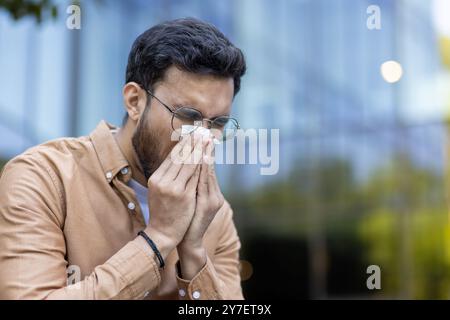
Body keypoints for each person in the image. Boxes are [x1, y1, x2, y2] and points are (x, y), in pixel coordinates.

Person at [0, 17, 246, 300]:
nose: (203, 139)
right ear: (134, 101)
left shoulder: (215, 213)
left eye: (217, 123)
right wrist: (158, 240)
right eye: (188, 116)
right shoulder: (43, 178)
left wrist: (193, 253)